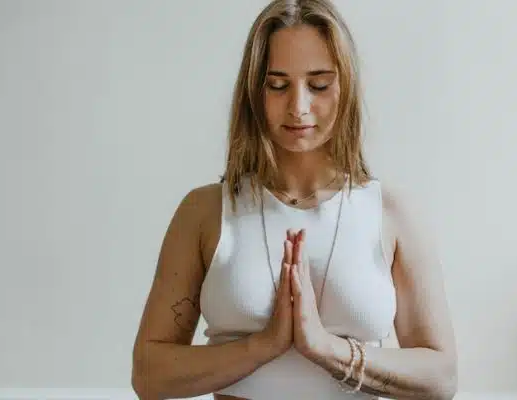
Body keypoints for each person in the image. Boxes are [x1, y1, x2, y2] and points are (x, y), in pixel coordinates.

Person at [131, 0, 457, 399]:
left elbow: (440, 378)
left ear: (346, 87)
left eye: (319, 84)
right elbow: (149, 374)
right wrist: (262, 345)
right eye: (278, 85)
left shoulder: (392, 213)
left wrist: (323, 347)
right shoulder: (204, 213)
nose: (299, 107)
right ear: (254, 90)